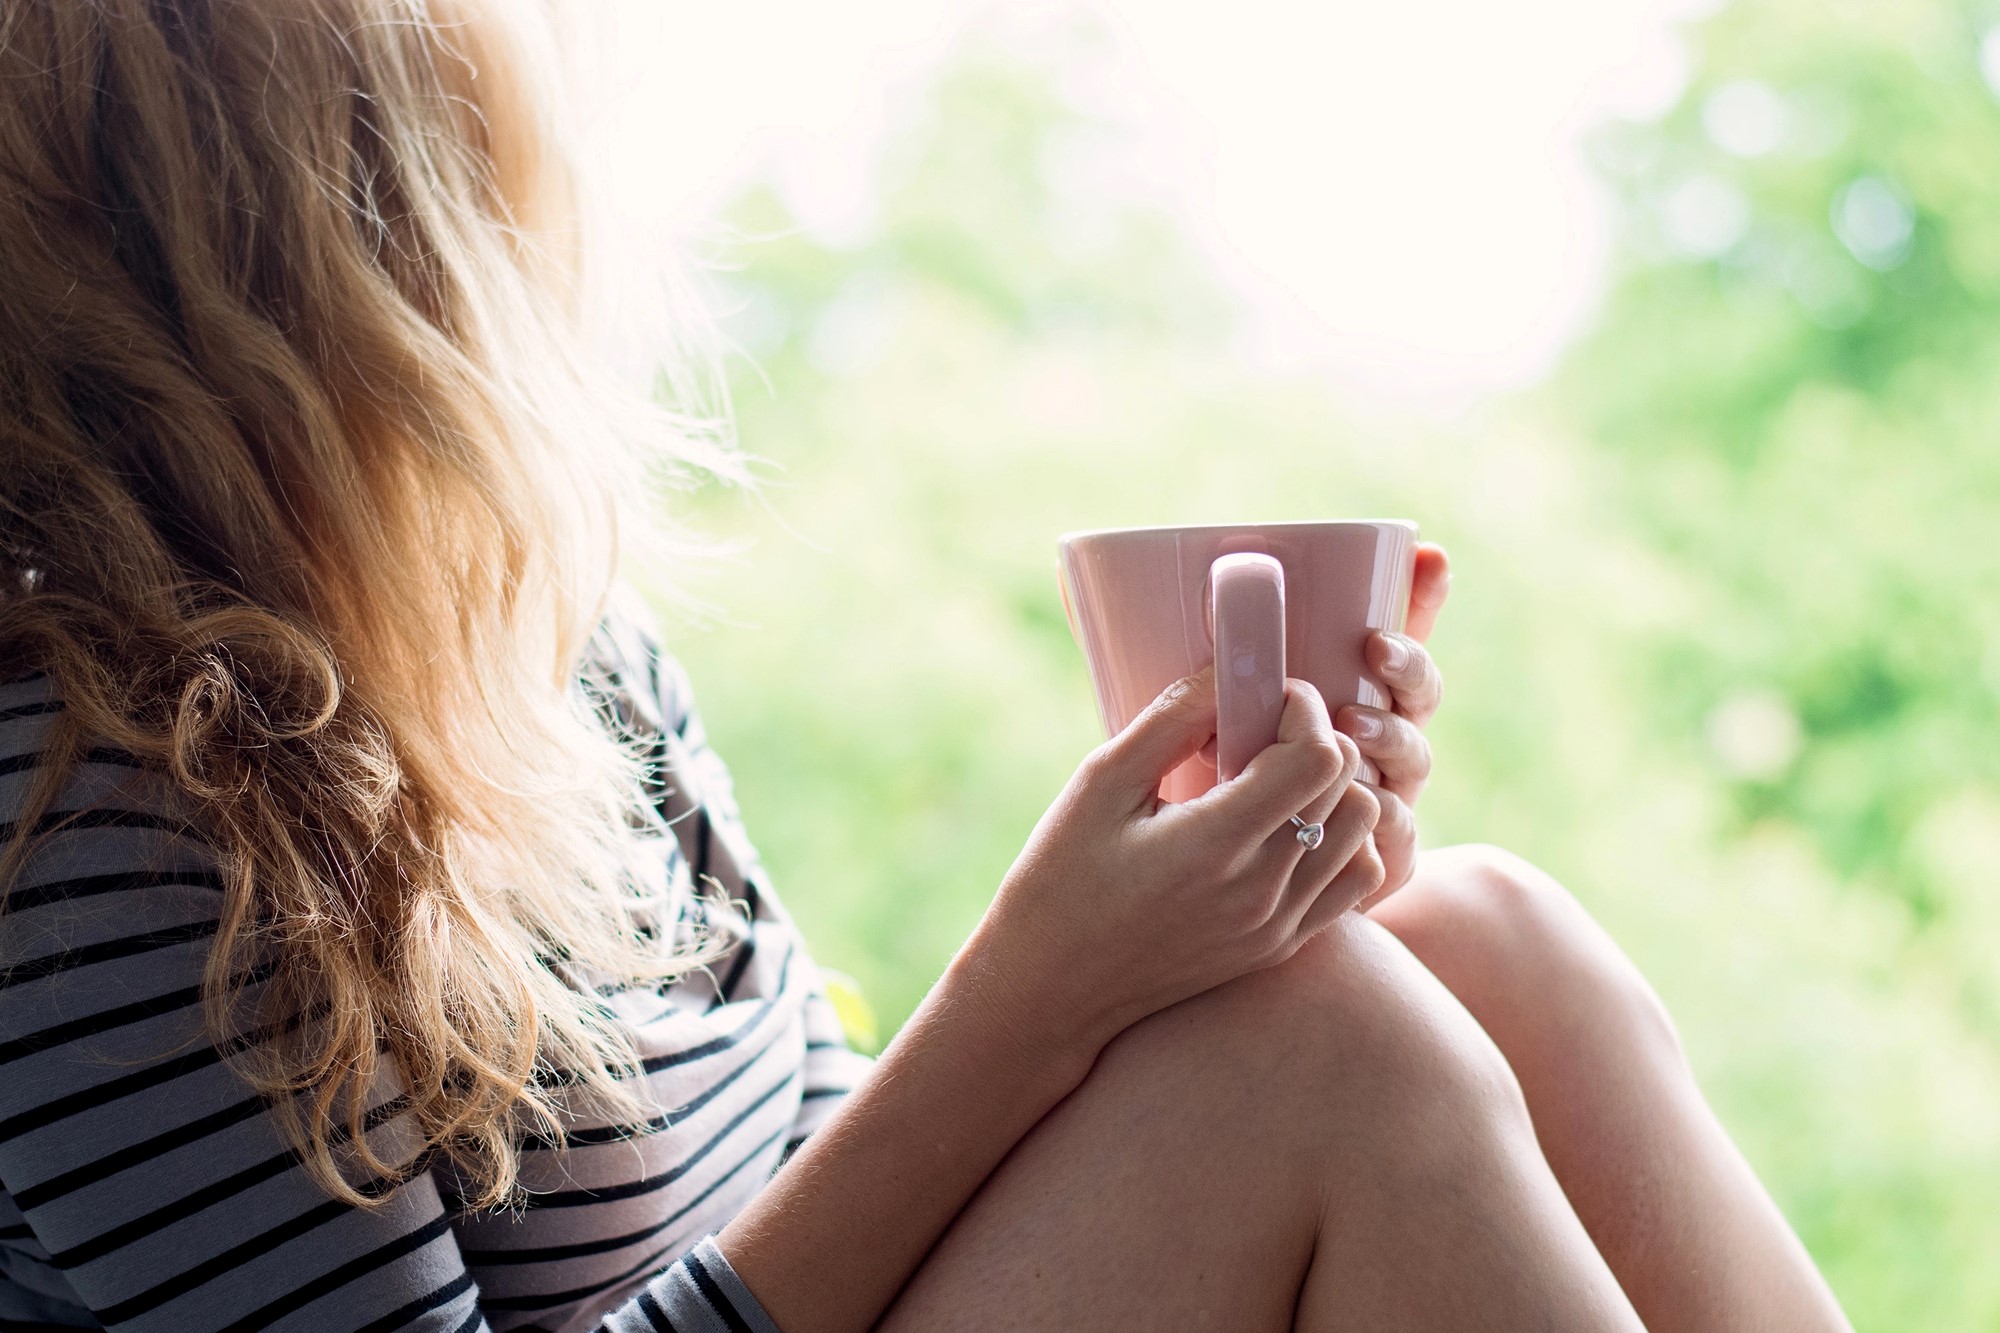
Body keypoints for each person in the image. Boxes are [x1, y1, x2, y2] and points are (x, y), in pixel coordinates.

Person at [0, 2, 1852, 1330]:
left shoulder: (534, 645)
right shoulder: (90, 813)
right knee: (1336, 1050)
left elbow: (828, 1160)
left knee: (1474, 935)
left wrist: (1183, 908)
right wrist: (1033, 995)